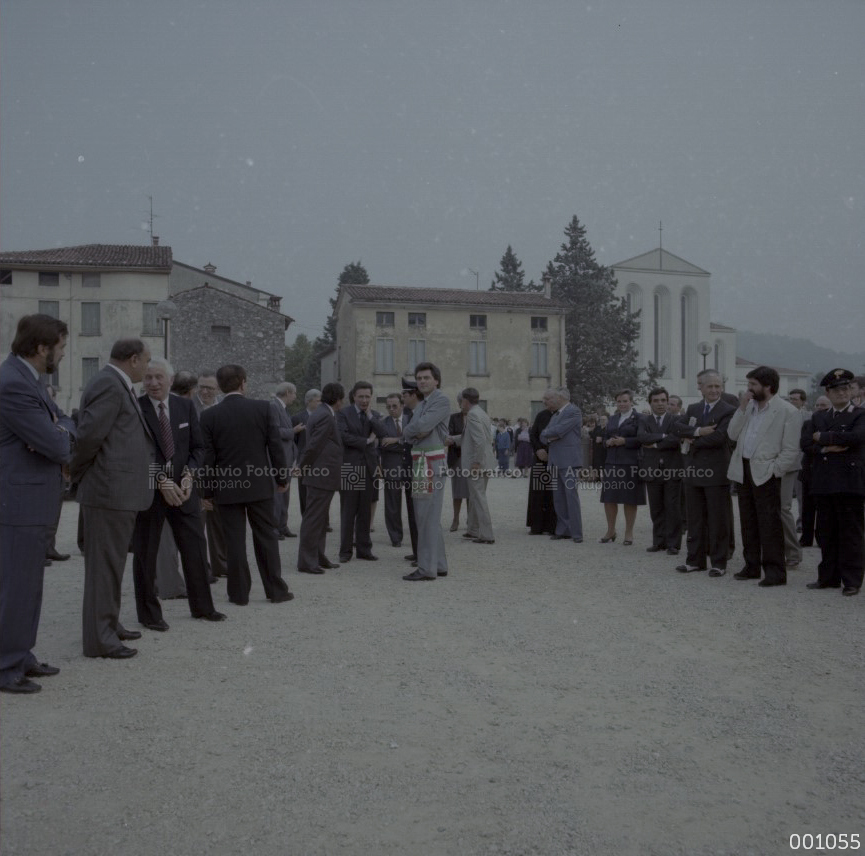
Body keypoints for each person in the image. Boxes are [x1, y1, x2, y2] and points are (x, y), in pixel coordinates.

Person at [0, 315, 76, 693]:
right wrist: (56, 435)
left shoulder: (30, 380)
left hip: (28, 501)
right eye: (61, 348)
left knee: (28, 586)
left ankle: (20, 653)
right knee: (16, 587)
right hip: (17, 504)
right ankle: (6, 665)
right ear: (43, 348)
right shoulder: (14, 383)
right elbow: (60, 444)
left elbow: (62, 424)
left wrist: (56, 430)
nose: (62, 355)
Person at [72, 338, 155, 659]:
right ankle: (99, 639)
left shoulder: (114, 383)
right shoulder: (108, 384)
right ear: (133, 359)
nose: (148, 369)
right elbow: (89, 436)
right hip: (109, 493)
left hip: (117, 493)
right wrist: (75, 472)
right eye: (146, 362)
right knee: (104, 568)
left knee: (112, 565)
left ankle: (108, 624)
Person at [131, 358, 226, 629]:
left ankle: (203, 608)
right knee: (146, 554)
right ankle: (150, 615)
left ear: (170, 380)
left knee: (195, 549)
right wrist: (160, 479)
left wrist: (189, 475)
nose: (153, 383)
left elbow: (198, 448)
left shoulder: (185, 407)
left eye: (159, 377)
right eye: (148, 378)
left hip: (184, 492)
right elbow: (136, 455)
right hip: (151, 492)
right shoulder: (135, 409)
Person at [199, 364, 293, 605]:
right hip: (259, 485)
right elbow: (275, 447)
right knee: (267, 538)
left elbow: (208, 457)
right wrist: (282, 478)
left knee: (234, 541)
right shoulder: (263, 409)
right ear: (243, 382)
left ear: (219, 386)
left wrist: (206, 491)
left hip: (227, 487)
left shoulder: (209, 416)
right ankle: (276, 590)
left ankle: (239, 594)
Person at [727, 366, 800, 587]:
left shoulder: (787, 411)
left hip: (767, 473)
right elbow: (731, 434)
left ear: (767, 386)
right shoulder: (748, 408)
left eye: (753, 385)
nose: (748, 389)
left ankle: (775, 572)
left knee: (769, 524)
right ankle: (751, 567)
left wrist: (774, 471)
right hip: (744, 469)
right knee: (748, 521)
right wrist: (741, 409)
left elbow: (790, 450)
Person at [802, 369, 865, 596]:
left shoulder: (860, 414)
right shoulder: (819, 416)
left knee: (850, 532)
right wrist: (827, 447)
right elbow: (805, 443)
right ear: (827, 392)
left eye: (846, 388)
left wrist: (823, 437)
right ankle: (828, 577)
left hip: (849, 482)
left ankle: (851, 580)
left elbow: (856, 438)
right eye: (837, 390)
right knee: (826, 532)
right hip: (823, 480)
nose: (842, 393)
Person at [669, 369, 736, 577]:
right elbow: (676, 428)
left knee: (718, 519)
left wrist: (692, 439)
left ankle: (719, 562)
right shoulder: (693, 408)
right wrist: (698, 431)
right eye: (710, 386)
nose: (714, 390)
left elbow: (720, 438)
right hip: (693, 471)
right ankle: (694, 560)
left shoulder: (728, 410)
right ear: (702, 388)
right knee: (694, 518)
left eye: (718, 386)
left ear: (722, 388)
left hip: (716, 472)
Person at [402, 362, 450, 581]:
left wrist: (415, 430)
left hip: (429, 461)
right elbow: (409, 432)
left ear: (436, 380)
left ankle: (426, 569)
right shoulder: (423, 403)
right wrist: (414, 431)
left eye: (426, 378)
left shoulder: (440, 400)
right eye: (419, 378)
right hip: (422, 461)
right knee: (428, 517)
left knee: (426, 517)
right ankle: (437, 564)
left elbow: (419, 428)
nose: (421, 381)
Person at [295, 383, 344, 574]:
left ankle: (318, 557)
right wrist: (303, 467)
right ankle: (307, 562)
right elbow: (314, 445)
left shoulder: (323, 412)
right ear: (339, 399)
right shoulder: (325, 415)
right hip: (320, 475)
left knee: (321, 519)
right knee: (314, 519)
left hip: (322, 475)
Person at [337, 381, 379, 563]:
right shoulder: (343, 414)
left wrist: (371, 417)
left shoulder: (373, 415)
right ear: (353, 396)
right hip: (351, 467)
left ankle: (364, 550)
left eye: (367, 396)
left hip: (369, 468)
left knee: (365, 511)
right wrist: (367, 441)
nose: (364, 400)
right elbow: (343, 437)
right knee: (349, 511)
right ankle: (345, 552)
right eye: (361, 396)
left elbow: (383, 432)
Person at [637, 387, 683, 555]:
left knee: (672, 507)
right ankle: (659, 541)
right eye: (656, 401)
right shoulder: (644, 420)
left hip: (672, 468)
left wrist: (656, 442)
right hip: (651, 469)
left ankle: (673, 544)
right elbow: (641, 437)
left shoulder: (676, 419)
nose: (660, 404)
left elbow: (676, 439)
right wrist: (664, 436)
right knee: (656, 507)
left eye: (663, 400)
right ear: (650, 403)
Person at [599, 389, 645, 545]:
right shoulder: (612, 418)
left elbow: (642, 438)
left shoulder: (639, 418)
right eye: (619, 401)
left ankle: (629, 533)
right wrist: (607, 442)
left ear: (631, 401)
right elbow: (605, 437)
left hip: (631, 462)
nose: (622, 404)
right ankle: (610, 530)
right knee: (609, 498)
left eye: (625, 401)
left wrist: (625, 441)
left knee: (629, 499)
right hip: (612, 462)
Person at [374, 393, 418, 556]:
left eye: (395, 406)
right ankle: (395, 537)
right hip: (391, 467)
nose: (391, 409)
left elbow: (414, 441)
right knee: (392, 504)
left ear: (402, 405)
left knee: (413, 504)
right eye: (388, 406)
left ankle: (416, 538)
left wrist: (396, 441)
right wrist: (402, 442)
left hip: (411, 467)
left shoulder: (411, 420)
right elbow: (382, 445)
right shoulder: (382, 423)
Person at [194, 368, 227, 579]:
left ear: (218, 389)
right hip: (196, 471)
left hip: (220, 473)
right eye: (202, 387)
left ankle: (220, 565)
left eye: (210, 388)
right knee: (198, 522)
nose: (205, 391)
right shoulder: (189, 407)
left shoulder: (223, 408)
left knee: (219, 522)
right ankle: (201, 569)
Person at [539, 387, 584, 543]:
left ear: (562, 397)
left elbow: (560, 430)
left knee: (571, 497)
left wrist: (551, 434)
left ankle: (577, 533)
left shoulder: (574, 411)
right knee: (558, 498)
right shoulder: (556, 414)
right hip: (555, 460)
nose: (552, 400)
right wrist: (551, 435)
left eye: (554, 398)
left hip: (569, 460)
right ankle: (563, 529)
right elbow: (543, 435)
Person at [455, 387, 496, 544]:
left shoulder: (472, 415)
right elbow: (478, 438)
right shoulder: (481, 413)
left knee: (478, 498)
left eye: (461, 402)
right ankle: (473, 530)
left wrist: (477, 462)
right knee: (475, 497)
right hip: (485, 462)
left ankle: (486, 534)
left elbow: (479, 440)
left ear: (465, 401)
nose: (460, 405)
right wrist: (453, 439)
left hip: (477, 464)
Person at [798, 395, 831, 548]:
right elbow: (804, 444)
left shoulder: (832, 423)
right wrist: (824, 448)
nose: (819, 408)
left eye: (823, 405)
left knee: (824, 508)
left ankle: (822, 538)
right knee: (807, 507)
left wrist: (820, 441)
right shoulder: (808, 423)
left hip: (827, 472)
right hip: (809, 470)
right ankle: (806, 537)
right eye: (817, 405)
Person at [526, 398, 557, 536]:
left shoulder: (561, 415)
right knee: (537, 492)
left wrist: (549, 452)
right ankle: (536, 526)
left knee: (552, 492)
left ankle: (552, 526)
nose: (545, 402)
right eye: (544, 399)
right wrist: (539, 450)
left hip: (555, 458)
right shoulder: (541, 415)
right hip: (540, 458)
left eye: (547, 399)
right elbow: (533, 435)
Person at [271, 382, 298, 539]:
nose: (295, 397)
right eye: (294, 393)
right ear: (288, 392)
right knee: (278, 495)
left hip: (287, 459)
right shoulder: (274, 406)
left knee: (285, 495)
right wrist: (293, 431)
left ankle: (282, 526)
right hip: (279, 459)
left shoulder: (283, 409)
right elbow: (274, 430)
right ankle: (275, 528)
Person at [292, 388, 321, 515]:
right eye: (318, 401)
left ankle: (324, 521)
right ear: (309, 401)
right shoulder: (297, 418)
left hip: (321, 460)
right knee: (304, 491)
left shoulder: (324, 417)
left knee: (321, 491)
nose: (320, 403)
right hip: (303, 461)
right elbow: (293, 441)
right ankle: (306, 519)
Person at [446, 394, 468, 533]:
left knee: (472, 492)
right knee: (457, 492)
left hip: (473, 459)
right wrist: (461, 440)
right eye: (460, 402)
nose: (462, 404)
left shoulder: (476, 417)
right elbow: (448, 436)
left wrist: (456, 439)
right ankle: (455, 519)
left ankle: (471, 520)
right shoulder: (454, 418)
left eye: (464, 402)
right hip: (457, 458)